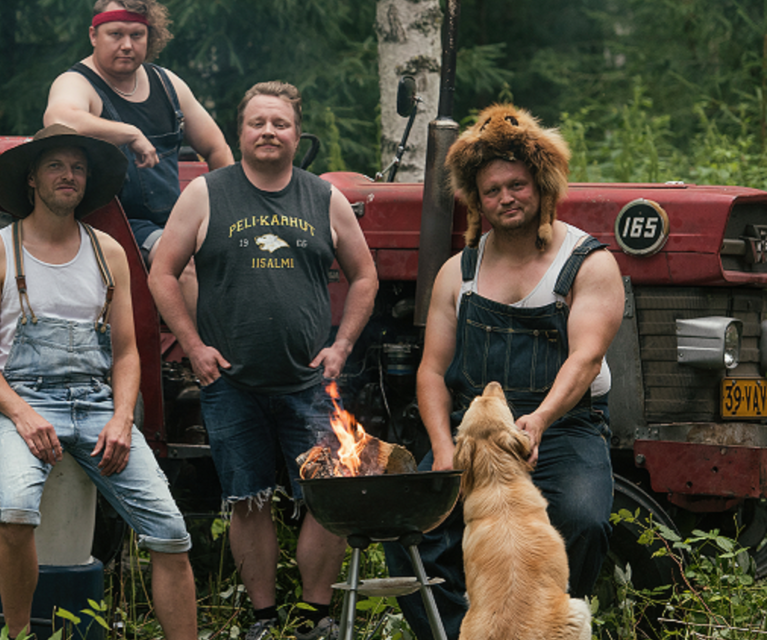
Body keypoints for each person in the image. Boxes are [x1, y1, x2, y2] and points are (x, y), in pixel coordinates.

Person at [148, 81, 380, 640]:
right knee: (247, 499)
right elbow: (162, 273)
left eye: (280, 123)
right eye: (258, 123)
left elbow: (366, 276)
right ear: (240, 132)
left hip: (309, 382)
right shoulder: (206, 193)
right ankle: (262, 617)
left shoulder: (322, 198)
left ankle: (315, 616)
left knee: (327, 496)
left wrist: (342, 344)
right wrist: (194, 345)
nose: (269, 132)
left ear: (298, 135)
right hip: (231, 383)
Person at [385, 104, 624, 640]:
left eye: (516, 185)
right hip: (478, 438)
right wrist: (444, 449)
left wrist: (538, 420)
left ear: (541, 184)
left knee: (582, 520)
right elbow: (431, 371)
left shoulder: (587, 262)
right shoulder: (459, 272)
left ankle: (548, 627)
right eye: (491, 190)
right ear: (476, 199)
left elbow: (585, 359)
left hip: (563, 426)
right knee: (407, 533)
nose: (505, 198)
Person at [0, 124, 198, 640]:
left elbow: (129, 352)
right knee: (18, 510)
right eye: (55, 166)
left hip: (96, 406)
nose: (68, 176)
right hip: (20, 401)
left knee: (171, 532)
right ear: (32, 179)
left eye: (78, 168)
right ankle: (19, 633)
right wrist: (23, 415)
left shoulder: (109, 252)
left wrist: (120, 418)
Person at [45, 0, 233, 316]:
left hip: (173, 221)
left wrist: (228, 214)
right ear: (94, 35)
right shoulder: (77, 82)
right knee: (179, 262)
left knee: (246, 248)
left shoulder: (167, 84)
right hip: (111, 225)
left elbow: (217, 149)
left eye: (137, 35)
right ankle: (210, 358)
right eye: (115, 34)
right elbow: (59, 118)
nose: (127, 45)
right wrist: (129, 132)